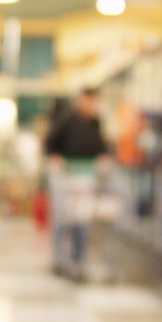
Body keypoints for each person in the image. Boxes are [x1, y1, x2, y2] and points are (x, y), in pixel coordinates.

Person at [44, 89, 109, 278]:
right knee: (62, 220)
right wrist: (55, 158)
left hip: (86, 177)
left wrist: (103, 159)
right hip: (65, 177)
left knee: (82, 221)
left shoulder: (96, 123)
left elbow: (101, 147)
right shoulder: (66, 120)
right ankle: (59, 261)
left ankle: (79, 261)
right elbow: (50, 143)